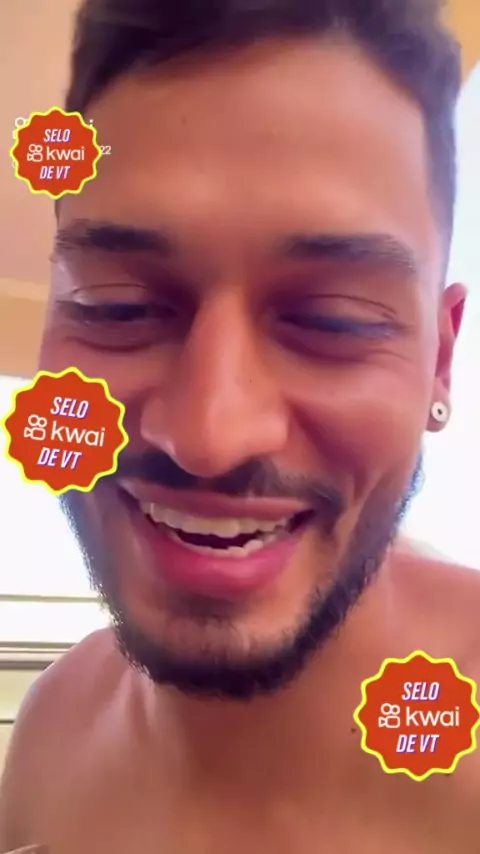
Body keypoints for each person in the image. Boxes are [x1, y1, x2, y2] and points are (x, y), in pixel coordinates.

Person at [1, 0, 479, 851]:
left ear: (440, 361)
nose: (209, 435)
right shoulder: (50, 733)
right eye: (118, 306)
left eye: (332, 321)